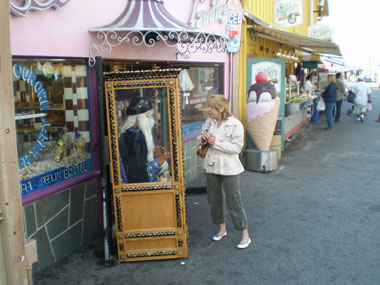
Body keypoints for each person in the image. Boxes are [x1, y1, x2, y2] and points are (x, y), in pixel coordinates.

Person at [199, 94, 251, 249]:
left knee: (233, 200)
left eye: (212, 107)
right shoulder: (209, 122)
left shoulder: (235, 124)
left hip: (229, 167)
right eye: (208, 106)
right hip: (211, 165)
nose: (209, 110)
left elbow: (236, 148)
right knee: (214, 199)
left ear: (221, 108)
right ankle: (222, 229)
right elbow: (200, 142)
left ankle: (245, 234)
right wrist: (203, 140)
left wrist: (216, 142)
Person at [118, 97, 170, 183]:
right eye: (149, 116)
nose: (151, 119)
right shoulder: (135, 138)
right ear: (140, 118)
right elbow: (138, 173)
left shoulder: (129, 134)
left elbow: (137, 159)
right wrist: (158, 162)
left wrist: (151, 152)